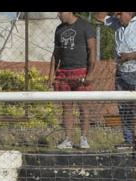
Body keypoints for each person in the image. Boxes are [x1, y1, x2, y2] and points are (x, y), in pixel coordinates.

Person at [51, 12, 97, 150]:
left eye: (60, 12)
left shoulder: (85, 26)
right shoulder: (59, 29)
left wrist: (90, 73)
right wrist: (51, 75)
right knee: (67, 108)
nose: (58, 15)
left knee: (83, 107)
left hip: (81, 71)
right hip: (64, 73)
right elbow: (56, 54)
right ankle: (68, 139)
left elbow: (92, 51)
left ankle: (84, 138)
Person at [93, 12, 136, 149]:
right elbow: (98, 17)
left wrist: (131, 55)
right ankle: (129, 140)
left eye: (120, 14)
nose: (116, 16)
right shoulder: (116, 22)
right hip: (121, 72)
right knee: (123, 107)